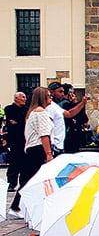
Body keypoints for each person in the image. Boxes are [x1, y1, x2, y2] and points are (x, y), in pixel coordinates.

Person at [8, 87, 54, 218]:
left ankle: (21, 205)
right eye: (48, 95)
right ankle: (17, 206)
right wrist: (49, 153)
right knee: (33, 179)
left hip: (32, 149)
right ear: (42, 97)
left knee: (29, 178)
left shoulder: (32, 112)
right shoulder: (40, 112)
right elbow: (44, 134)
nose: (50, 98)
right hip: (38, 149)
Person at [46, 81, 89, 155]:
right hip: (63, 139)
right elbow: (79, 117)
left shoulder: (56, 106)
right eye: (60, 92)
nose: (62, 94)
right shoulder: (61, 105)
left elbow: (69, 114)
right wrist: (81, 103)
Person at [3, 92, 27, 192]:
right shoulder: (9, 109)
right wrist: (20, 122)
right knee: (14, 163)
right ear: (16, 99)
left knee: (25, 163)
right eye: (23, 97)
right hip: (14, 141)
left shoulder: (26, 110)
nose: (25, 99)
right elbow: (12, 123)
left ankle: (24, 183)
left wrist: (19, 123)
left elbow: (22, 123)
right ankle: (11, 183)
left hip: (25, 140)